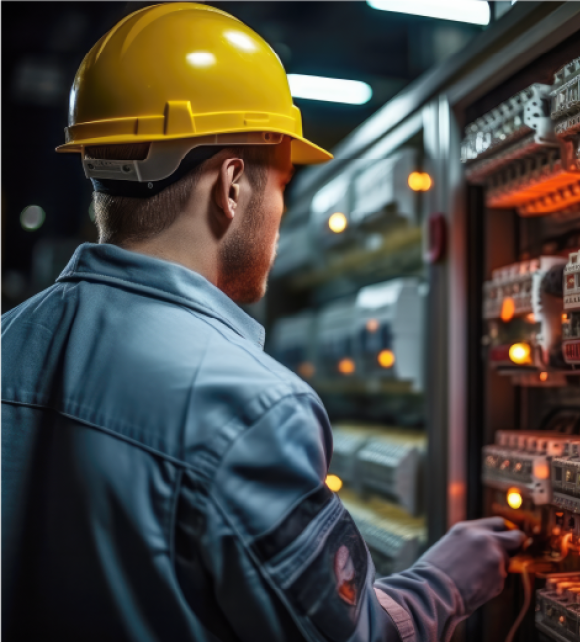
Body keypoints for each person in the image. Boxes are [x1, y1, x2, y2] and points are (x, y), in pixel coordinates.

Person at [0, 4, 525, 641]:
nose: (280, 214)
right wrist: (446, 582)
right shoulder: (249, 407)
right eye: (283, 184)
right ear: (231, 186)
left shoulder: (8, 341)